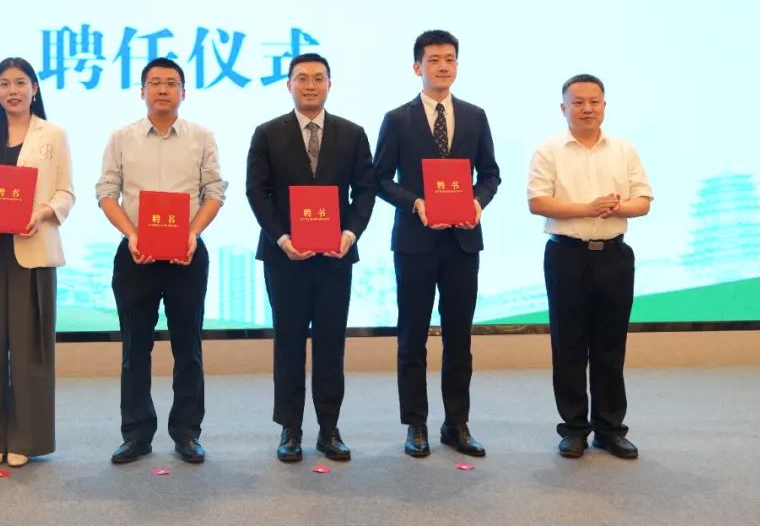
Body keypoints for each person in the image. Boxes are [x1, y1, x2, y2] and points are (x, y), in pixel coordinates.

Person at [373, 29, 501, 459]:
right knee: (412, 336)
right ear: (417, 67)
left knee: (459, 337)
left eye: (449, 59)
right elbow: (379, 179)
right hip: (415, 242)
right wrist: (416, 204)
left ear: (457, 66)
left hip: (462, 241)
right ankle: (416, 424)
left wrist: (478, 202)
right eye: (434, 60)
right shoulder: (397, 119)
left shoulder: (475, 116)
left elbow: (490, 174)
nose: (442, 66)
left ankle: (457, 423)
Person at [245, 53, 376, 463]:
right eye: (301, 78)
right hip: (285, 257)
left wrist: (350, 234)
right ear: (289, 85)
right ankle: (290, 428)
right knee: (288, 343)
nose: (310, 85)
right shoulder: (267, 133)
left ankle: (329, 428)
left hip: (336, 256)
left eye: (318, 78)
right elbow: (257, 192)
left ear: (329, 85)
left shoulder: (352, 134)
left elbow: (365, 191)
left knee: (331, 343)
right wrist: (282, 238)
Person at [95, 57, 226, 465]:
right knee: (135, 349)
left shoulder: (201, 136)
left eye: (171, 83)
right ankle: (136, 434)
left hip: (187, 253)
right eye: (155, 83)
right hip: (136, 254)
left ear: (184, 92)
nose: (163, 89)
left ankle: (187, 433)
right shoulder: (122, 137)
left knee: (189, 348)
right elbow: (106, 193)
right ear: (142, 91)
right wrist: (131, 235)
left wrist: (193, 234)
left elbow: (214, 193)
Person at [0, 56, 75, 468]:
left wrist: (41, 214)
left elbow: (65, 193)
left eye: (20, 83)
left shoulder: (53, 134)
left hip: (33, 252)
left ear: (34, 89)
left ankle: (27, 438)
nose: (13, 91)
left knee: (31, 352)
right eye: (4, 84)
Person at [527, 74, 652, 460]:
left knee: (610, 347)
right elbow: (537, 202)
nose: (586, 109)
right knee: (568, 345)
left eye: (594, 102)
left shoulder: (624, 149)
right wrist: (588, 208)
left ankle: (610, 429)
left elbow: (643, 200)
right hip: (566, 256)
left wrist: (615, 207)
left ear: (604, 106)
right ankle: (574, 429)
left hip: (614, 256)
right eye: (577, 102)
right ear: (563, 108)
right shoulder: (549, 150)